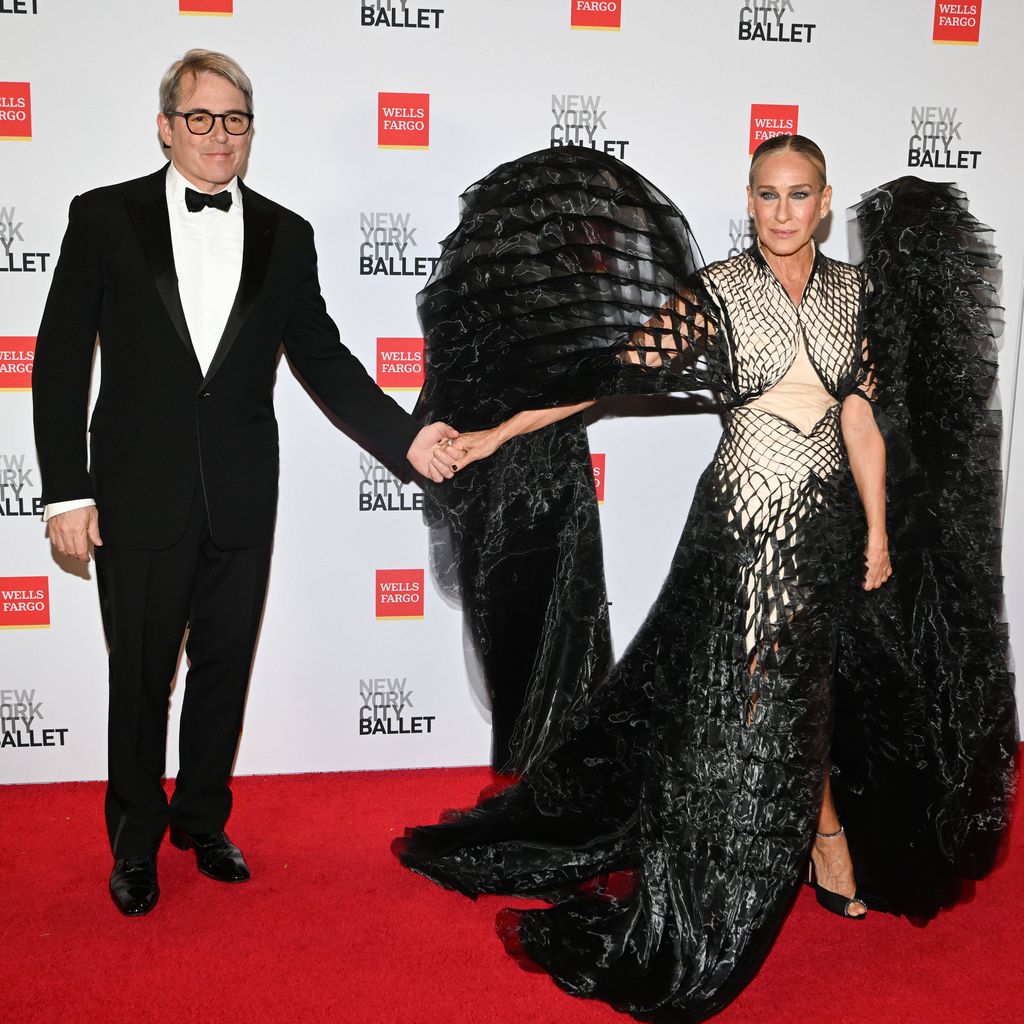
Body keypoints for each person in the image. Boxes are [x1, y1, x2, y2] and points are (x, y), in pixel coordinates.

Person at [396, 140, 1016, 1020]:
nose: (782, 212)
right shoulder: (717, 292)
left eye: (798, 195)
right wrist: (498, 434)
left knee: (808, 691)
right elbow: (603, 379)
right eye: (767, 194)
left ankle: (823, 837)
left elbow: (860, 420)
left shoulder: (856, 294)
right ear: (749, 200)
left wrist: (879, 532)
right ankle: (775, 856)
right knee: (751, 698)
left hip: (828, 529)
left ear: (824, 202)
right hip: (737, 530)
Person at [32, 49, 462, 917]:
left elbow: (324, 361)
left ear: (251, 130)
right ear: (166, 127)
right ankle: (135, 843)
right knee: (140, 678)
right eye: (200, 118)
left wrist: (409, 440)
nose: (219, 135)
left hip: (240, 490)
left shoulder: (284, 234)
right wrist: (67, 491)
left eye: (235, 119)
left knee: (224, 670)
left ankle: (201, 821)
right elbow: (59, 359)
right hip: (135, 492)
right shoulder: (104, 217)